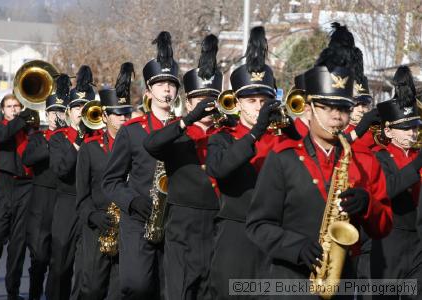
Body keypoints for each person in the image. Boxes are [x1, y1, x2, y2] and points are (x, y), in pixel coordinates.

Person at [246, 23, 393, 300]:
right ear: (310, 106)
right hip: (288, 284)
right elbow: (258, 225)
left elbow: (383, 226)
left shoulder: (363, 159)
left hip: (343, 284)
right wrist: (295, 246)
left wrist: (368, 204)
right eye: (328, 108)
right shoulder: (282, 158)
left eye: (344, 109)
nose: (337, 117)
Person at [204, 26, 297, 300]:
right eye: (252, 100)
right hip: (236, 233)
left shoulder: (284, 138)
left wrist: (291, 129)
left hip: (276, 235)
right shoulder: (222, 137)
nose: (258, 106)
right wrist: (256, 132)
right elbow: (219, 168)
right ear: (238, 103)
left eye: (264, 100)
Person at [143, 34, 222, 300]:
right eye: (199, 100)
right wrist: (188, 120)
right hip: (182, 227)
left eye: (211, 100)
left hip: (215, 225)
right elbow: (152, 145)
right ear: (188, 103)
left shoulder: (226, 135)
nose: (206, 106)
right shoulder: (178, 133)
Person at [102, 31, 180, 299]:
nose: (167, 90)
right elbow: (110, 182)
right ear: (149, 91)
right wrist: (133, 202)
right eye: (160, 84)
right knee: (137, 287)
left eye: (171, 84)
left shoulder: (185, 130)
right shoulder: (132, 131)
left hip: (175, 224)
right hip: (139, 221)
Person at [76, 62, 134, 300]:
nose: (123, 119)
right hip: (97, 225)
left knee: (120, 290)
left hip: (128, 224)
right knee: (92, 289)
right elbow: (81, 195)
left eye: (126, 114)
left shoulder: (136, 145)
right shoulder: (89, 148)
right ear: (106, 116)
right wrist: (94, 216)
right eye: (118, 115)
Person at [370, 66, 421, 300]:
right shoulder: (380, 157)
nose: (412, 133)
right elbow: (387, 188)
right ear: (389, 131)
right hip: (389, 243)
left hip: (417, 243)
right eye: (406, 128)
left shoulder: (416, 156)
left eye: (415, 127)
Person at [0, 94, 37, 299]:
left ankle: (12, 291)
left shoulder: (31, 131)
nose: (13, 109)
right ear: (3, 110)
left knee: (18, 243)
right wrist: (22, 118)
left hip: (26, 187)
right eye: (9, 106)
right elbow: (3, 135)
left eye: (17, 106)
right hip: (2, 184)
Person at [45, 73, 94, 300]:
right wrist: (77, 141)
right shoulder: (59, 138)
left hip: (91, 205)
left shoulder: (100, 137)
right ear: (69, 111)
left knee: (88, 270)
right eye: (77, 108)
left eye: (86, 107)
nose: (81, 112)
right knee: (60, 266)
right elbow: (61, 170)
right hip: (66, 203)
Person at [22, 88, 68, 300]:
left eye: (61, 111)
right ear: (47, 115)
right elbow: (28, 159)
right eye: (53, 112)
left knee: (58, 261)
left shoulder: (71, 138)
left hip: (62, 200)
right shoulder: (39, 138)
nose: (57, 116)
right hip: (41, 203)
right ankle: (34, 295)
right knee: (38, 258)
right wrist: (52, 142)